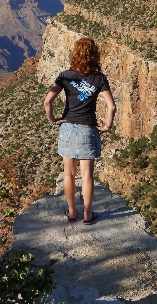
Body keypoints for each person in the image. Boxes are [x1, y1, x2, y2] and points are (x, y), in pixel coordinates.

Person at [44, 37, 116, 224]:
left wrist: (53, 120)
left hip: (67, 128)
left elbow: (47, 101)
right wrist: (107, 126)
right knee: (87, 176)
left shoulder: (65, 76)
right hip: (88, 129)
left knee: (68, 174)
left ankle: (72, 212)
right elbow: (112, 107)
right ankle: (87, 214)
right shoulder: (99, 78)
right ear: (94, 56)